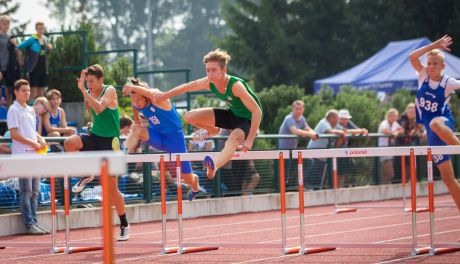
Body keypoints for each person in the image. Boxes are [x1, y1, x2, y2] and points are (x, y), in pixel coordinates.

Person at [154, 49, 263, 179]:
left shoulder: (236, 86)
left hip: (247, 120)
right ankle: (212, 130)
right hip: (231, 114)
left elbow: (257, 111)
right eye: (208, 70)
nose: (210, 74)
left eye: (214, 70)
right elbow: (187, 86)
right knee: (189, 116)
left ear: (224, 70)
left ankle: (214, 167)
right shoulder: (209, 82)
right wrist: (164, 95)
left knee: (232, 140)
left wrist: (249, 140)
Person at [63, 65, 129, 241]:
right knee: (70, 143)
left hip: (110, 143)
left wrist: (83, 90)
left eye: (92, 81)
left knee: (112, 190)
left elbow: (99, 109)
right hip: (94, 137)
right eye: (88, 81)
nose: (89, 84)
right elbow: (94, 115)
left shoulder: (110, 90)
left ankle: (124, 223)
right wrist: (87, 96)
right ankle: (88, 173)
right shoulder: (90, 94)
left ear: (101, 80)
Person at [123, 78, 203, 201]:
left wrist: (132, 88)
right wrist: (138, 128)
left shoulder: (158, 98)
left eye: (138, 99)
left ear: (145, 95)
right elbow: (137, 117)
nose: (136, 103)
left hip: (174, 140)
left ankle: (195, 184)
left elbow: (151, 92)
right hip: (158, 137)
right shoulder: (136, 105)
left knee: (186, 178)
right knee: (137, 129)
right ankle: (123, 153)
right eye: (133, 100)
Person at [409, 35, 460, 211]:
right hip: (433, 133)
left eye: (435, 64)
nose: (430, 67)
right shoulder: (422, 75)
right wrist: (436, 44)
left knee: (435, 124)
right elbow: (412, 57)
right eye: (429, 63)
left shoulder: (448, 82)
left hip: (444, 122)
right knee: (448, 178)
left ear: (443, 66)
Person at [7, 79, 47, 234]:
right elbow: (14, 134)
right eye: (23, 90)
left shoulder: (30, 110)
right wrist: (34, 142)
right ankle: (29, 224)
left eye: (28, 90)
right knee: (27, 190)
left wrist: (40, 138)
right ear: (16, 92)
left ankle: (34, 222)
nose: (26, 93)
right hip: (22, 156)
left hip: (34, 155)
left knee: (35, 191)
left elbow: (31, 130)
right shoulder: (13, 109)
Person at [278, 100, 318, 186]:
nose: (298, 111)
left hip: (293, 150)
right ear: (293, 109)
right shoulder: (289, 118)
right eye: (297, 109)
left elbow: (308, 128)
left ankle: (298, 184)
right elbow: (295, 131)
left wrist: (314, 134)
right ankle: (283, 189)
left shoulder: (302, 118)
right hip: (284, 151)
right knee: (285, 173)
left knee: (309, 161)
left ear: (303, 109)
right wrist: (310, 134)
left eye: (300, 109)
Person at [307, 109, 346, 188]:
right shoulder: (324, 123)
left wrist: (361, 130)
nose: (338, 121)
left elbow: (345, 130)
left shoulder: (335, 125)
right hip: (314, 155)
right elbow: (329, 132)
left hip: (323, 157)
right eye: (337, 119)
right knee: (312, 181)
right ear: (331, 118)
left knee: (321, 181)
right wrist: (341, 133)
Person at [18, 21, 52, 102]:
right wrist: (21, 59)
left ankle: (41, 113)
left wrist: (50, 48)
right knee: (33, 92)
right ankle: (27, 110)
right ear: (36, 29)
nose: (41, 30)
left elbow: (47, 51)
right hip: (34, 68)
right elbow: (19, 47)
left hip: (44, 68)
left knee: (42, 93)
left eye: (42, 28)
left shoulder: (46, 40)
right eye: (39, 28)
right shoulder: (32, 39)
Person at [0, 15, 22, 106]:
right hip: (1, 67)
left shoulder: (12, 37)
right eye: (4, 24)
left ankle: (8, 115)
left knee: (10, 91)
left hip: (10, 69)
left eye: (8, 24)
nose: (6, 26)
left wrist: (15, 45)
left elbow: (17, 52)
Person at [378, 108, 403, 184]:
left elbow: (402, 130)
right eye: (391, 115)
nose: (392, 117)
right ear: (387, 116)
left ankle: (383, 189)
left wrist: (397, 132)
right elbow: (384, 130)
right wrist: (393, 133)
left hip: (390, 152)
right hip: (383, 151)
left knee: (385, 174)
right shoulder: (384, 123)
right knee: (389, 174)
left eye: (394, 116)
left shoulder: (395, 123)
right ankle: (382, 188)